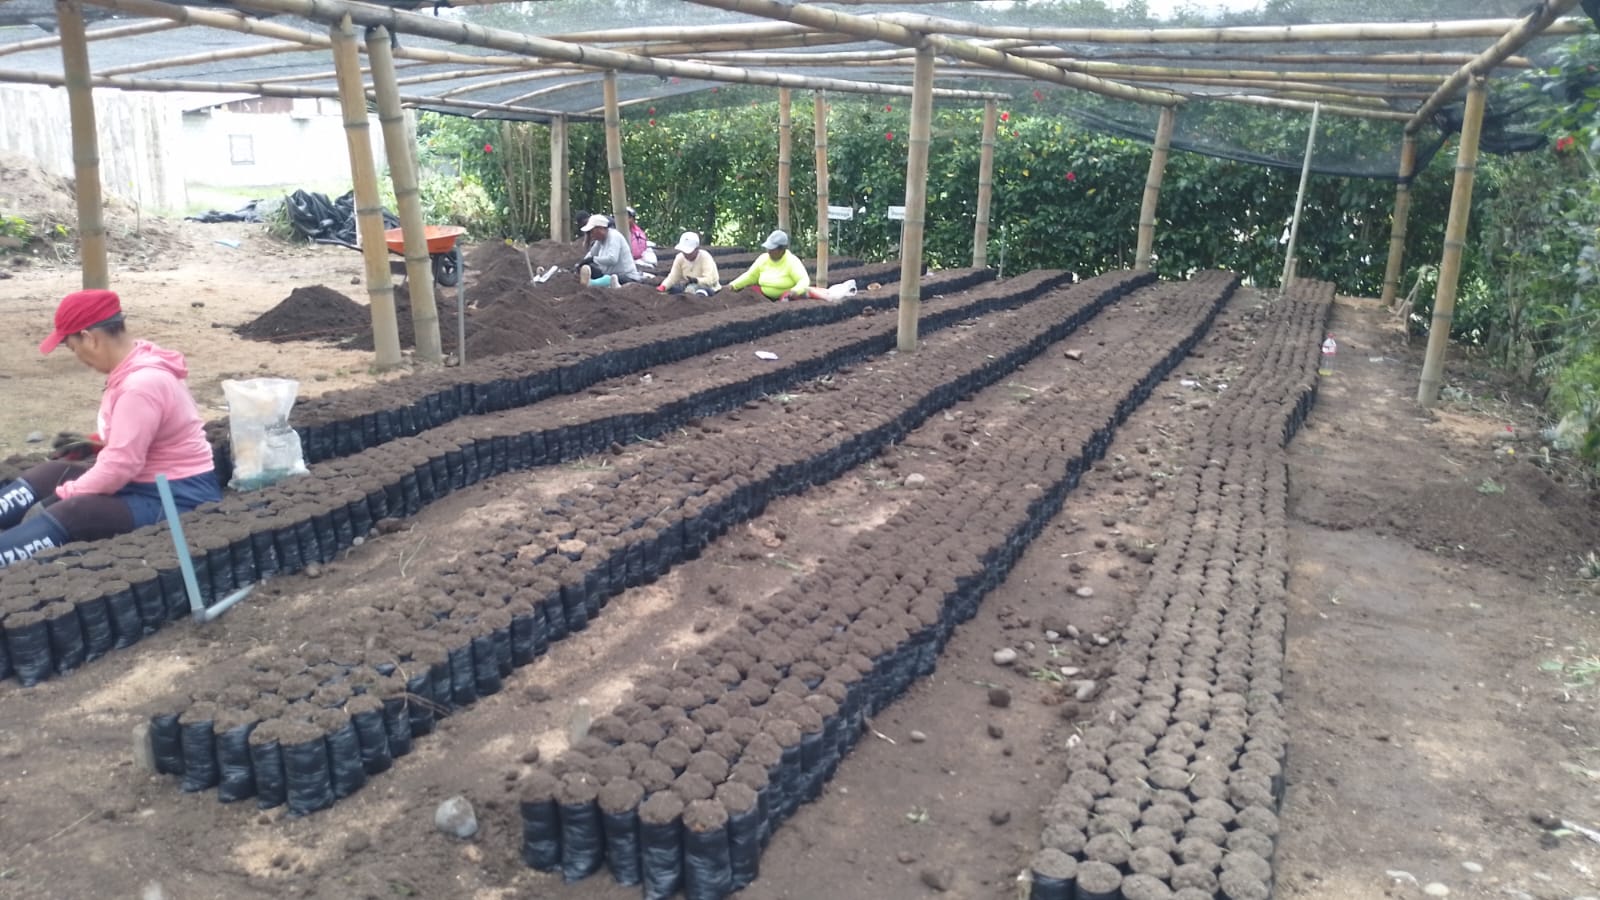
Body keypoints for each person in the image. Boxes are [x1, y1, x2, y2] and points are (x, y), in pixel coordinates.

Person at [0, 289, 222, 567]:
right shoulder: (137, 361)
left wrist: (59, 497)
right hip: (143, 483)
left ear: (89, 338)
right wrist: (95, 442)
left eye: (73, 348)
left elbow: (120, 466)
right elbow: (145, 434)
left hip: (177, 497)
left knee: (75, 512)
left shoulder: (141, 385)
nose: (79, 358)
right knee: (51, 473)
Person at [728, 230, 848, 302]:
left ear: (782, 249)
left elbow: (803, 280)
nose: (769, 251)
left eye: (772, 249)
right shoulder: (763, 259)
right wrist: (733, 285)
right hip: (763, 296)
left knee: (787, 300)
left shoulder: (792, 261)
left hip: (785, 296)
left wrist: (795, 291)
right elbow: (750, 276)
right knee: (748, 292)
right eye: (768, 248)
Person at [575, 213, 643, 288]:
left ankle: (593, 283)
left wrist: (593, 259)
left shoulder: (614, 236)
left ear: (600, 229)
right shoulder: (600, 240)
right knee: (591, 268)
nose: (591, 235)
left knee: (611, 278)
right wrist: (582, 263)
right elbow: (592, 253)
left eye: (592, 231)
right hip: (608, 273)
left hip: (625, 276)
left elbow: (612, 259)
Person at [656, 231, 721, 296]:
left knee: (700, 293)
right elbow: (673, 276)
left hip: (708, 288)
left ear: (697, 249)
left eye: (689, 252)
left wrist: (696, 280)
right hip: (688, 287)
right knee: (673, 290)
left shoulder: (705, 257)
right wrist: (663, 286)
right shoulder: (680, 258)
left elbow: (710, 280)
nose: (686, 254)